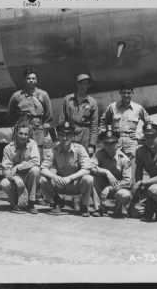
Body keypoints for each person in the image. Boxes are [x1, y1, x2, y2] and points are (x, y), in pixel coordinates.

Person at [59, 73, 99, 210]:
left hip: (85, 134)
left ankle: (82, 199)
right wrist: (62, 136)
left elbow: (94, 125)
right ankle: (65, 196)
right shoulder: (68, 99)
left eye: (86, 83)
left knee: (83, 166)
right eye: (81, 83)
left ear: (89, 85)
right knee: (68, 163)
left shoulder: (92, 102)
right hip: (69, 133)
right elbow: (61, 119)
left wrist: (92, 144)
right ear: (77, 84)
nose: (83, 86)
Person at [39, 121, 94, 217]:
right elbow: (43, 168)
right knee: (43, 180)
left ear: (72, 136)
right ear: (58, 136)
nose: (65, 138)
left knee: (88, 179)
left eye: (68, 135)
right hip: (60, 183)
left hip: (75, 184)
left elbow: (87, 169)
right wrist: (54, 177)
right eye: (62, 135)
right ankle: (57, 201)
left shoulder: (79, 149)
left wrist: (71, 178)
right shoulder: (54, 149)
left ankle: (84, 205)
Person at [99, 81, 150, 183]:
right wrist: (105, 136)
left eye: (128, 93)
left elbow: (149, 123)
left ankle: (134, 193)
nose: (126, 95)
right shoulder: (113, 107)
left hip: (131, 142)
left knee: (133, 169)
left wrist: (141, 136)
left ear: (132, 93)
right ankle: (114, 192)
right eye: (124, 93)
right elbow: (103, 121)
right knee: (114, 167)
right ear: (120, 93)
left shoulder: (138, 108)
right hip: (115, 142)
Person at [8, 68, 53, 155]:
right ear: (25, 80)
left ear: (36, 80)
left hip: (37, 127)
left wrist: (44, 124)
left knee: (37, 150)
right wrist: (17, 123)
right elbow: (10, 113)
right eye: (28, 78)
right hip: (21, 125)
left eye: (33, 78)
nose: (31, 80)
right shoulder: (17, 96)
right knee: (19, 150)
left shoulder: (43, 95)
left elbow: (48, 113)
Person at [0, 121, 41, 214]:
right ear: (16, 133)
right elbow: (6, 170)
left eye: (26, 134)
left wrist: (18, 167)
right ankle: (15, 202)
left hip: (27, 177)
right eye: (20, 133)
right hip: (15, 178)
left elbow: (36, 161)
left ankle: (31, 203)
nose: (23, 136)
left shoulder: (32, 144)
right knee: (4, 183)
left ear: (29, 135)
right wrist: (15, 178)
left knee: (35, 170)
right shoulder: (8, 148)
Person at [91, 128, 132, 218]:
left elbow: (127, 182)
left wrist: (110, 188)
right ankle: (98, 208)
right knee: (93, 179)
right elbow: (91, 167)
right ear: (103, 144)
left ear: (117, 143)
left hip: (117, 188)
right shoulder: (99, 154)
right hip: (102, 186)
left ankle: (118, 210)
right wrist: (106, 172)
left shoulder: (124, 159)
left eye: (112, 143)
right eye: (106, 143)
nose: (109, 146)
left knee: (125, 195)